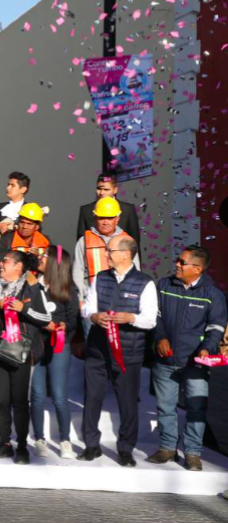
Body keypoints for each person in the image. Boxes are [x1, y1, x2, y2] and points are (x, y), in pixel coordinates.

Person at [78, 234, 156, 467]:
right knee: (92, 397)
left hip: (128, 351)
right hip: (98, 348)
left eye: (110, 251)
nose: (106, 255)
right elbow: (88, 306)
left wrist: (131, 317)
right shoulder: (101, 278)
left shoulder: (145, 282)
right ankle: (91, 445)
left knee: (127, 401)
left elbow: (150, 320)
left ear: (125, 254)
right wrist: (94, 315)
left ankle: (125, 449)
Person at [147, 245, 227, 472]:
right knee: (165, 406)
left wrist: (206, 348)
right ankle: (167, 448)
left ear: (198, 269)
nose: (177, 265)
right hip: (165, 360)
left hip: (195, 364)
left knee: (196, 408)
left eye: (182, 262)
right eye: (178, 261)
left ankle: (192, 453)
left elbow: (216, 326)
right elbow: (155, 315)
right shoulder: (163, 285)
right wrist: (160, 337)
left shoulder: (213, 295)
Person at [0, 250, 49, 464]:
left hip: (21, 351)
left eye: (5, 261)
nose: (1, 264)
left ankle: (22, 445)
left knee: (20, 401)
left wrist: (24, 308)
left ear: (18, 266)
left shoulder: (31, 287)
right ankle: (4, 443)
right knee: (1, 400)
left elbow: (45, 318)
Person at [30, 246, 80, 460]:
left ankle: (65, 439)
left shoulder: (68, 289)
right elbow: (29, 313)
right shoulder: (34, 285)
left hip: (59, 346)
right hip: (38, 345)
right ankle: (39, 438)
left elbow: (72, 320)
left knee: (59, 396)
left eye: (43, 256)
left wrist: (61, 328)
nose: (39, 259)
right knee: (37, 395)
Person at [72, 197, 140, 303]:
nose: (105, 222)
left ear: (117, 219)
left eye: (110, 218)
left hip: (120, 300)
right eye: (101, 217)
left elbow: (135, 272)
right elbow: (78, 270)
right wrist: (80, 298)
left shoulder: (127, 241)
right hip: (91, 300)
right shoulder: (84, 241)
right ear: (95, 218)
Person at [76, 174, 141, 246]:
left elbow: (135, 243)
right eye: (99, 189)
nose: (101, 193)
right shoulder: (86, 210)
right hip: (95, 254)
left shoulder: (128, 209)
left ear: (115, 190)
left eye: (106, 189)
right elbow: (80, 241)